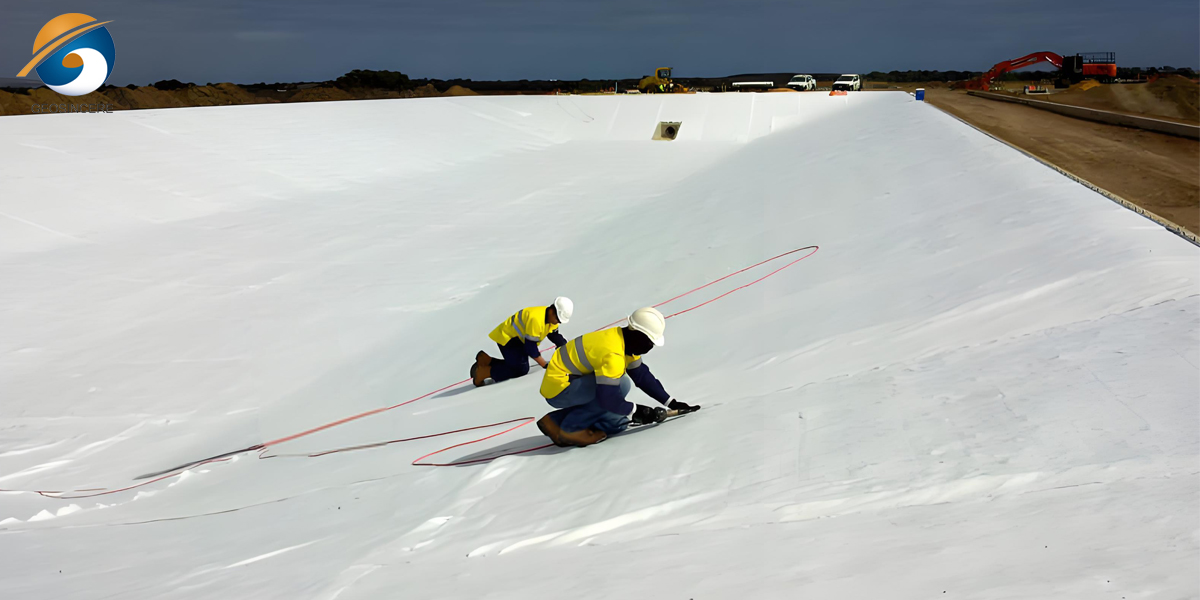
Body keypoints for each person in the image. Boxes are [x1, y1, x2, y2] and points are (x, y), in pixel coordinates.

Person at [535, 306, 699, 447]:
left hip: (574, 383)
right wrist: (638, 411)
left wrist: (670, 402)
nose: (650, 347)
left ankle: (554, 421)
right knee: (619, 388)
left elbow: (641, 376)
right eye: (649, 342)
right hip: (559, 387)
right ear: (636, 333)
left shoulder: (626, 341)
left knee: (617, 423)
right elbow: (608, 398)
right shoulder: (613, 353)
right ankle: (570, 430)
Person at [472, 297, 573, 387]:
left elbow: (554, 335)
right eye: (558, 319)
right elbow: (530, 348)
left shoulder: (550, 319)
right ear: (552, 311)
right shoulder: (536, 320)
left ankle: (487, 361)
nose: (558, 322)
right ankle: (485, 372)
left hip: (518, 340)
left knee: (519, 364)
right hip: (508, 338)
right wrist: (545, 365)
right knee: (519, 370)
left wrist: (564, 346)